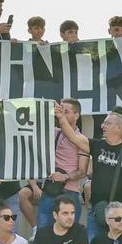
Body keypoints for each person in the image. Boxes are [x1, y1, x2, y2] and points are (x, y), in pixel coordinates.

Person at [55, 103, 122, 241]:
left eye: (107, 123)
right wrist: (61, 117)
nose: (102, 126)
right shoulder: (96, 145)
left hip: (120, 212)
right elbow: (72, 136)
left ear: (118, 128)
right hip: (97, 210)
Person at [24, 98, 87, 230]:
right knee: (43, 231)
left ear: (77, 115)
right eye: (59, 111)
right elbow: (32, 129)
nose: (61, 114)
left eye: (66, 111)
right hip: (50, 189)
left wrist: (66, 177)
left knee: (70, 234)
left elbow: (82, 171)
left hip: (69, 191)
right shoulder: (54, 133)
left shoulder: (82, 139)